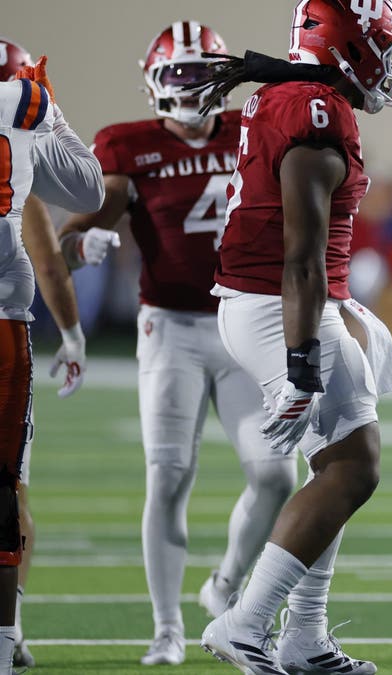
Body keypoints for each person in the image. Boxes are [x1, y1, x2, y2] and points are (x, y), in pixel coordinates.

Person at [56, 23, 300, 666]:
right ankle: (166, 628)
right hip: (171, 329)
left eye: (202, 75)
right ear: (154, 81)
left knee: (277, 474)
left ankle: (225, 584)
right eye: (179, 75)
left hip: (245, 321)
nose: (192, 90)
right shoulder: (125, 145)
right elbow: (68, 243)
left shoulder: (249, 130)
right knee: (169, 476)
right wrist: (84, 245)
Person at [190, 1, 392, 672]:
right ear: (348, 44)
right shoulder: (317, 111)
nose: (390, 64)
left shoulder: (296, 94)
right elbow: (301, 254)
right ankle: (248, 622)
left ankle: (305, 637)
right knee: (353, 466)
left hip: (276, 299)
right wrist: (302, 363)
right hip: (277, 302)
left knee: (335, 467)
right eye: (381, 46)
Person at [0, 43, 104, 674]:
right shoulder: (24, 131)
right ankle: (8, 631)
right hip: (4, 326)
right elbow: (44, 254)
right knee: (9, 492)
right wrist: (72, 334)